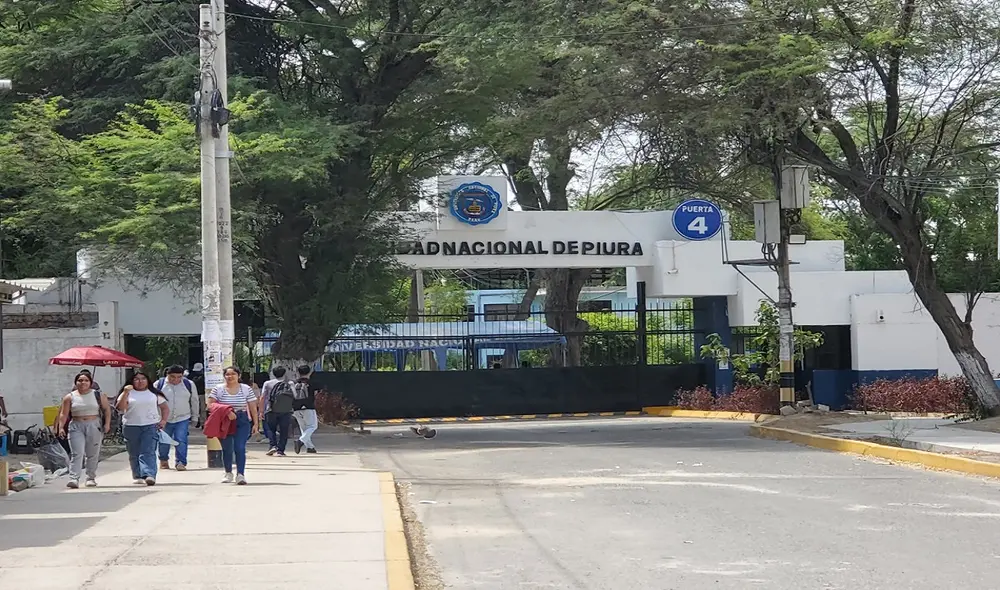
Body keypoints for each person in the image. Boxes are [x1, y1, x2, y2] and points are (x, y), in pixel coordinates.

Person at [56, 372, 111, 488]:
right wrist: (60, 427)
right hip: (76, 425)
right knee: (77, 453)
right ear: (75, 383)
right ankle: (74, 478)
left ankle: (90, 477)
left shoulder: (98, 395)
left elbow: (107, 410)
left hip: (94, 425)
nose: (83, 383)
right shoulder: (70, 397)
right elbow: (63, 414)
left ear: (91, 383)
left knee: (92, 453)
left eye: (86, 380)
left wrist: (107, 424)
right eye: (80, 380)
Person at [207, 366, 258, 484]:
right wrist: (227, 411)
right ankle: (228, 472)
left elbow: (252, 406)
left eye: (233, 374)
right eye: (227, 374)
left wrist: (256, 423)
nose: (230, 377)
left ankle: (240, 474)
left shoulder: (245, 389)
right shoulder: (218, 389)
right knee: (227, 448)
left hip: (241, 420)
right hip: (224, 421)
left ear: (238, 376)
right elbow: (210, 405)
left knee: (240, 447)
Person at [116, 372, 169, 486]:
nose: (140, 381)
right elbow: (121, 408)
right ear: (132, 381)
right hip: (131, 426)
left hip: (150, 425)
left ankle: (149, 474)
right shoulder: (128, 393)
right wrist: (125, 392)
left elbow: (164, 408)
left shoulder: (154, 393)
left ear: (147, 380)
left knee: (148, 451)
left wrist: (163, 420)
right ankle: (137, 474)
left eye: (143, 379)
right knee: (134, 452)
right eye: (137, 379)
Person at [155, 365, 200, 471]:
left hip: (182, 417)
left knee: (181, 439)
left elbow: (194, 401)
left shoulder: (188, 384)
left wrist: (195, 417)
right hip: (163, 418)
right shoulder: (159, 384)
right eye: (172, 377)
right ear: (167, 375)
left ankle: (181, 462)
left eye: (179, 377)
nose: (176, 380)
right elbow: (152, 401)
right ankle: (163, 460)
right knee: (163, 440)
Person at [262, 367, 294, 456]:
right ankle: (281, 450)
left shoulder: (267, 383)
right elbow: (295, 395)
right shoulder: (290, 383)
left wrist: (261, 411)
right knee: (284, 430)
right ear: (284, 373)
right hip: (286, 410)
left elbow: (263, 397)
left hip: (270, 409)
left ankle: (273, 446)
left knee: (270, 429)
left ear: (273, 373)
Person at [291, 364, 320, 454]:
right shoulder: (311, 383)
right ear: (309, 372)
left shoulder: (294, 383)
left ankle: (310, 447)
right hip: (308, 407)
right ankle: (300, 441)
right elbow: (316, 394)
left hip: (296, 408)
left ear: (298, 372)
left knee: (303, 428)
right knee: (313, 426)